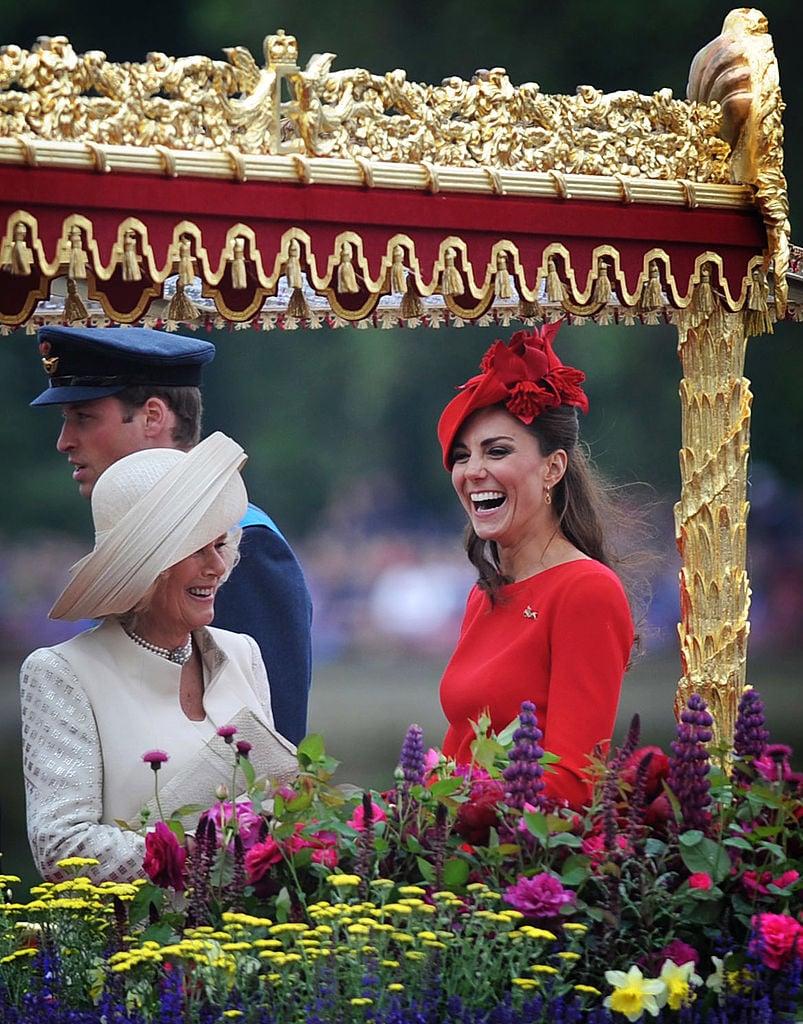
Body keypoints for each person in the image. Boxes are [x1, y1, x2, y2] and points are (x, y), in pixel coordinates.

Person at [19, 432, 299, 883]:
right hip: (131, 946)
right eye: (196, 550)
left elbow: (272, 807)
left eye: (219, 545)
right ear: (147, 568)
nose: (217, 566)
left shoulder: (242, 652)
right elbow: (61, 846)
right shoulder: (62, 672)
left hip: (249, 939)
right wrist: (196, 854)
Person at [30, 325, 313, 745]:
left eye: (84, 418)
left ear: (153, 417)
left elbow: (272, 746)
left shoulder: (247, 541)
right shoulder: (123, 536)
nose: (64, 442)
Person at [436, 321, 635, 811]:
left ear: (553, 467)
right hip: (455, 865)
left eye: (497, 451)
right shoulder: (484, 593)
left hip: (526, 869)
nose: (472, 471)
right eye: (462, 457)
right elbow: (458, 746)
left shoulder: (586, 591)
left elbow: (575, 783)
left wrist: (456, 805)